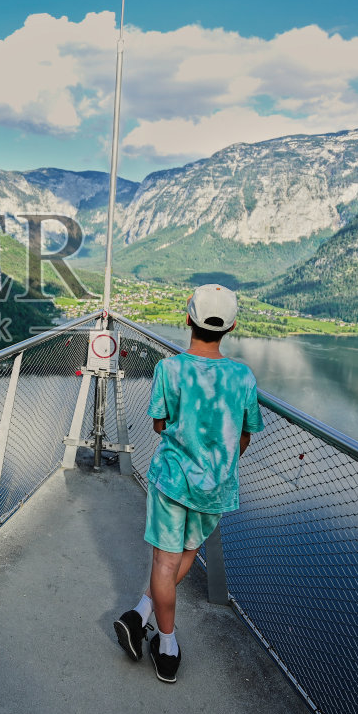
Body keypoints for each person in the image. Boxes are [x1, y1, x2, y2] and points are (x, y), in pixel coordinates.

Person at [114, 283, 263, 683]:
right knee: (188, 553)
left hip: (173, 479)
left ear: (187, 319)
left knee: (164, 562)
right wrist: (218, 465)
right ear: (231, 327)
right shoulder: (243, 377)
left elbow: (159, 424)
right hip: (214, 486)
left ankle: (164, 642)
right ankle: (145, 617)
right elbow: (245, 435)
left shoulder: (170, 369)